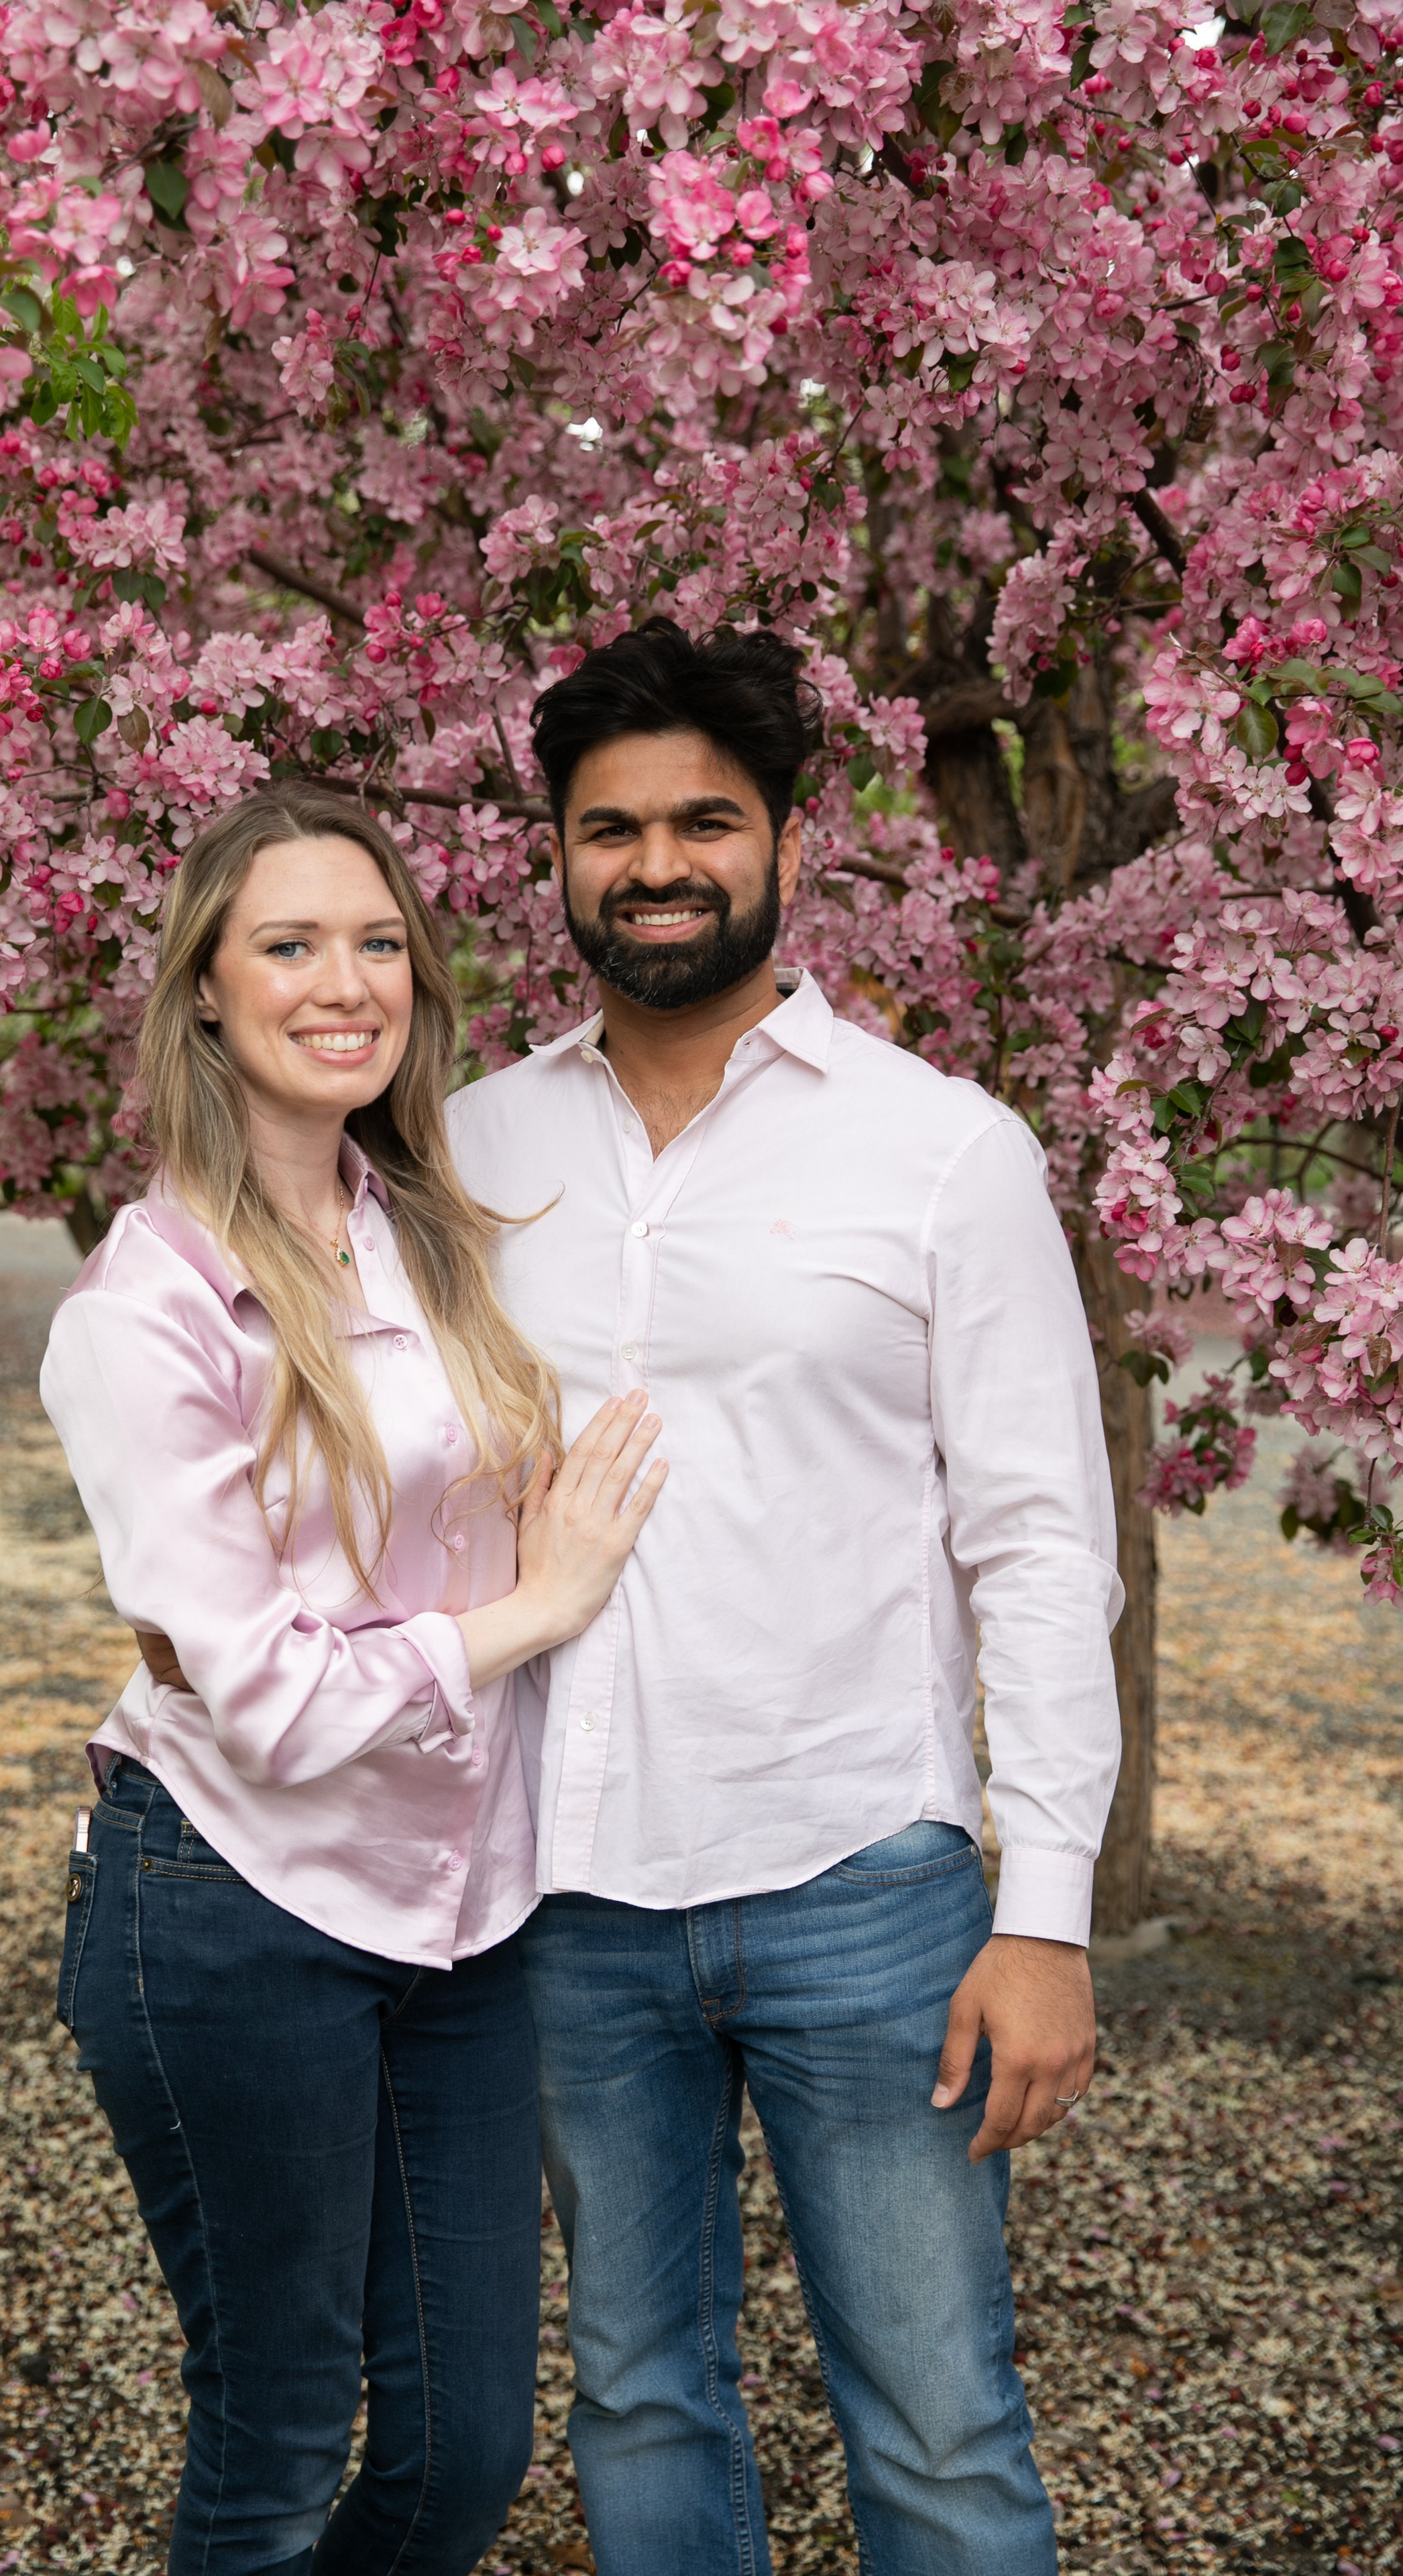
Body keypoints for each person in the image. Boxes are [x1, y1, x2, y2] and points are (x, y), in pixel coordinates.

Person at [443, 619, 1124, 2575]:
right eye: (610, 829)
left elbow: (1040, 1545)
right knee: (638, 2395)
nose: (656, 864)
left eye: (704, 822)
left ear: (789, 846)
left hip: (863, 1884)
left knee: (940, 2421)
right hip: (567, 1892)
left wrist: (1046, 1914)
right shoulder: (467, 1152)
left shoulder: (945, 1153)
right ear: (557, 857)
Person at [40, 784, 667, 2576]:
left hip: (461, 1913)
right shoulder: (144, 1316)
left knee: (467, 2450)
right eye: (292, 944)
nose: (346, 982)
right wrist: (536, 1609)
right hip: (229, 1905)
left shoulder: (432, 1233)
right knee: (279, 2437)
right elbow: (266, 1703)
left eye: (379, 941)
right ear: (208, 991)